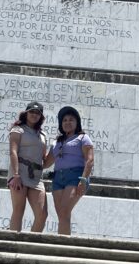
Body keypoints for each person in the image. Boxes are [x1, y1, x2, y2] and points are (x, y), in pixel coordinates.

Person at [44, 105, 94, 236]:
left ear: (77, 122)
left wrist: (83, 180)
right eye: (64, 120)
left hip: (75, 176)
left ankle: (62, 243)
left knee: (64, 211)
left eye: (71, 120)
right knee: (62, 215)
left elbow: (89, 160)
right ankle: (63, 242)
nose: (67, 122)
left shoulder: (83, 138)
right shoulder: (57, 142)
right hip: (58, 179)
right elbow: (46, 163)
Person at [7, 101, 48, 232]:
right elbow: (13, 152)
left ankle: (31, 241)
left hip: (36, 176)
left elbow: (44, 159)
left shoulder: (43, 135)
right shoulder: (17, 130)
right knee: (19, 210)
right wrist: (16, 175)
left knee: (42, 214)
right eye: (32, 112)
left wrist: (58, 152)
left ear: (41, 117)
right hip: (20, 173)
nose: (34, 115)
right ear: (26, 113)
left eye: (37, 113)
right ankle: (13, 241)